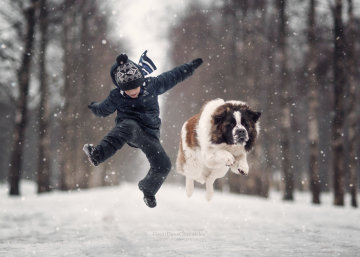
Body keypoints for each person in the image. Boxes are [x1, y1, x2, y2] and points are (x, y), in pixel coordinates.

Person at [83, 51, 203, 208]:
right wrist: (94, 107)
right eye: (128, 90)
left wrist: (189, 67)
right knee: (129, 126)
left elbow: (172, 76)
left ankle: (148, 189)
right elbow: (103, 109)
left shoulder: (152, 85)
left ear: (141, 81)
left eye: (135, 88)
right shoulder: (116, 96)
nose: (132, 92)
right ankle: (97, 155)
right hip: (130, 131)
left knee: (164, 165)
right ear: (120, 87)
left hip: (150, 134)